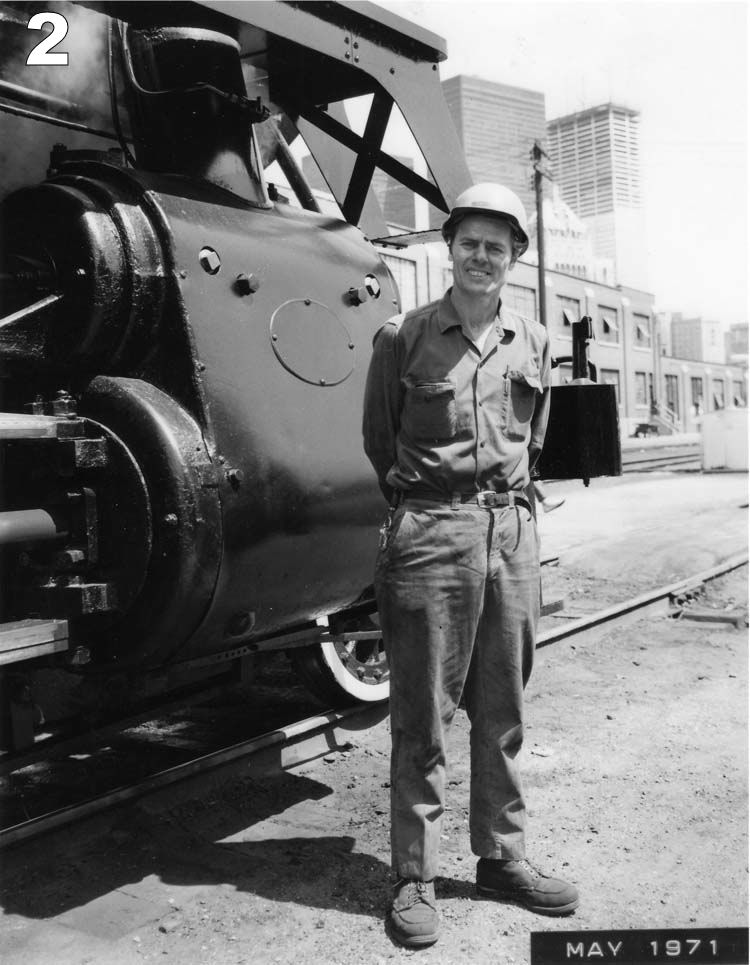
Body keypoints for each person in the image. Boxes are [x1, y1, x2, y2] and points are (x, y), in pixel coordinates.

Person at [362, 183, 579, 949]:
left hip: (511, 535)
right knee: (422, 713)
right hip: (432, 531)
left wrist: (502, 510)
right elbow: (379, 440)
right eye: (469, 242)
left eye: (498, 245)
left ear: (516, 256)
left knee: (504, 708)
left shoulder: (537, 340)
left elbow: (536, 438)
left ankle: (502, 858)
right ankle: (414, 875)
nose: (481, 256)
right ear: (449, 248)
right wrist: (436, 504)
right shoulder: (405, 336)